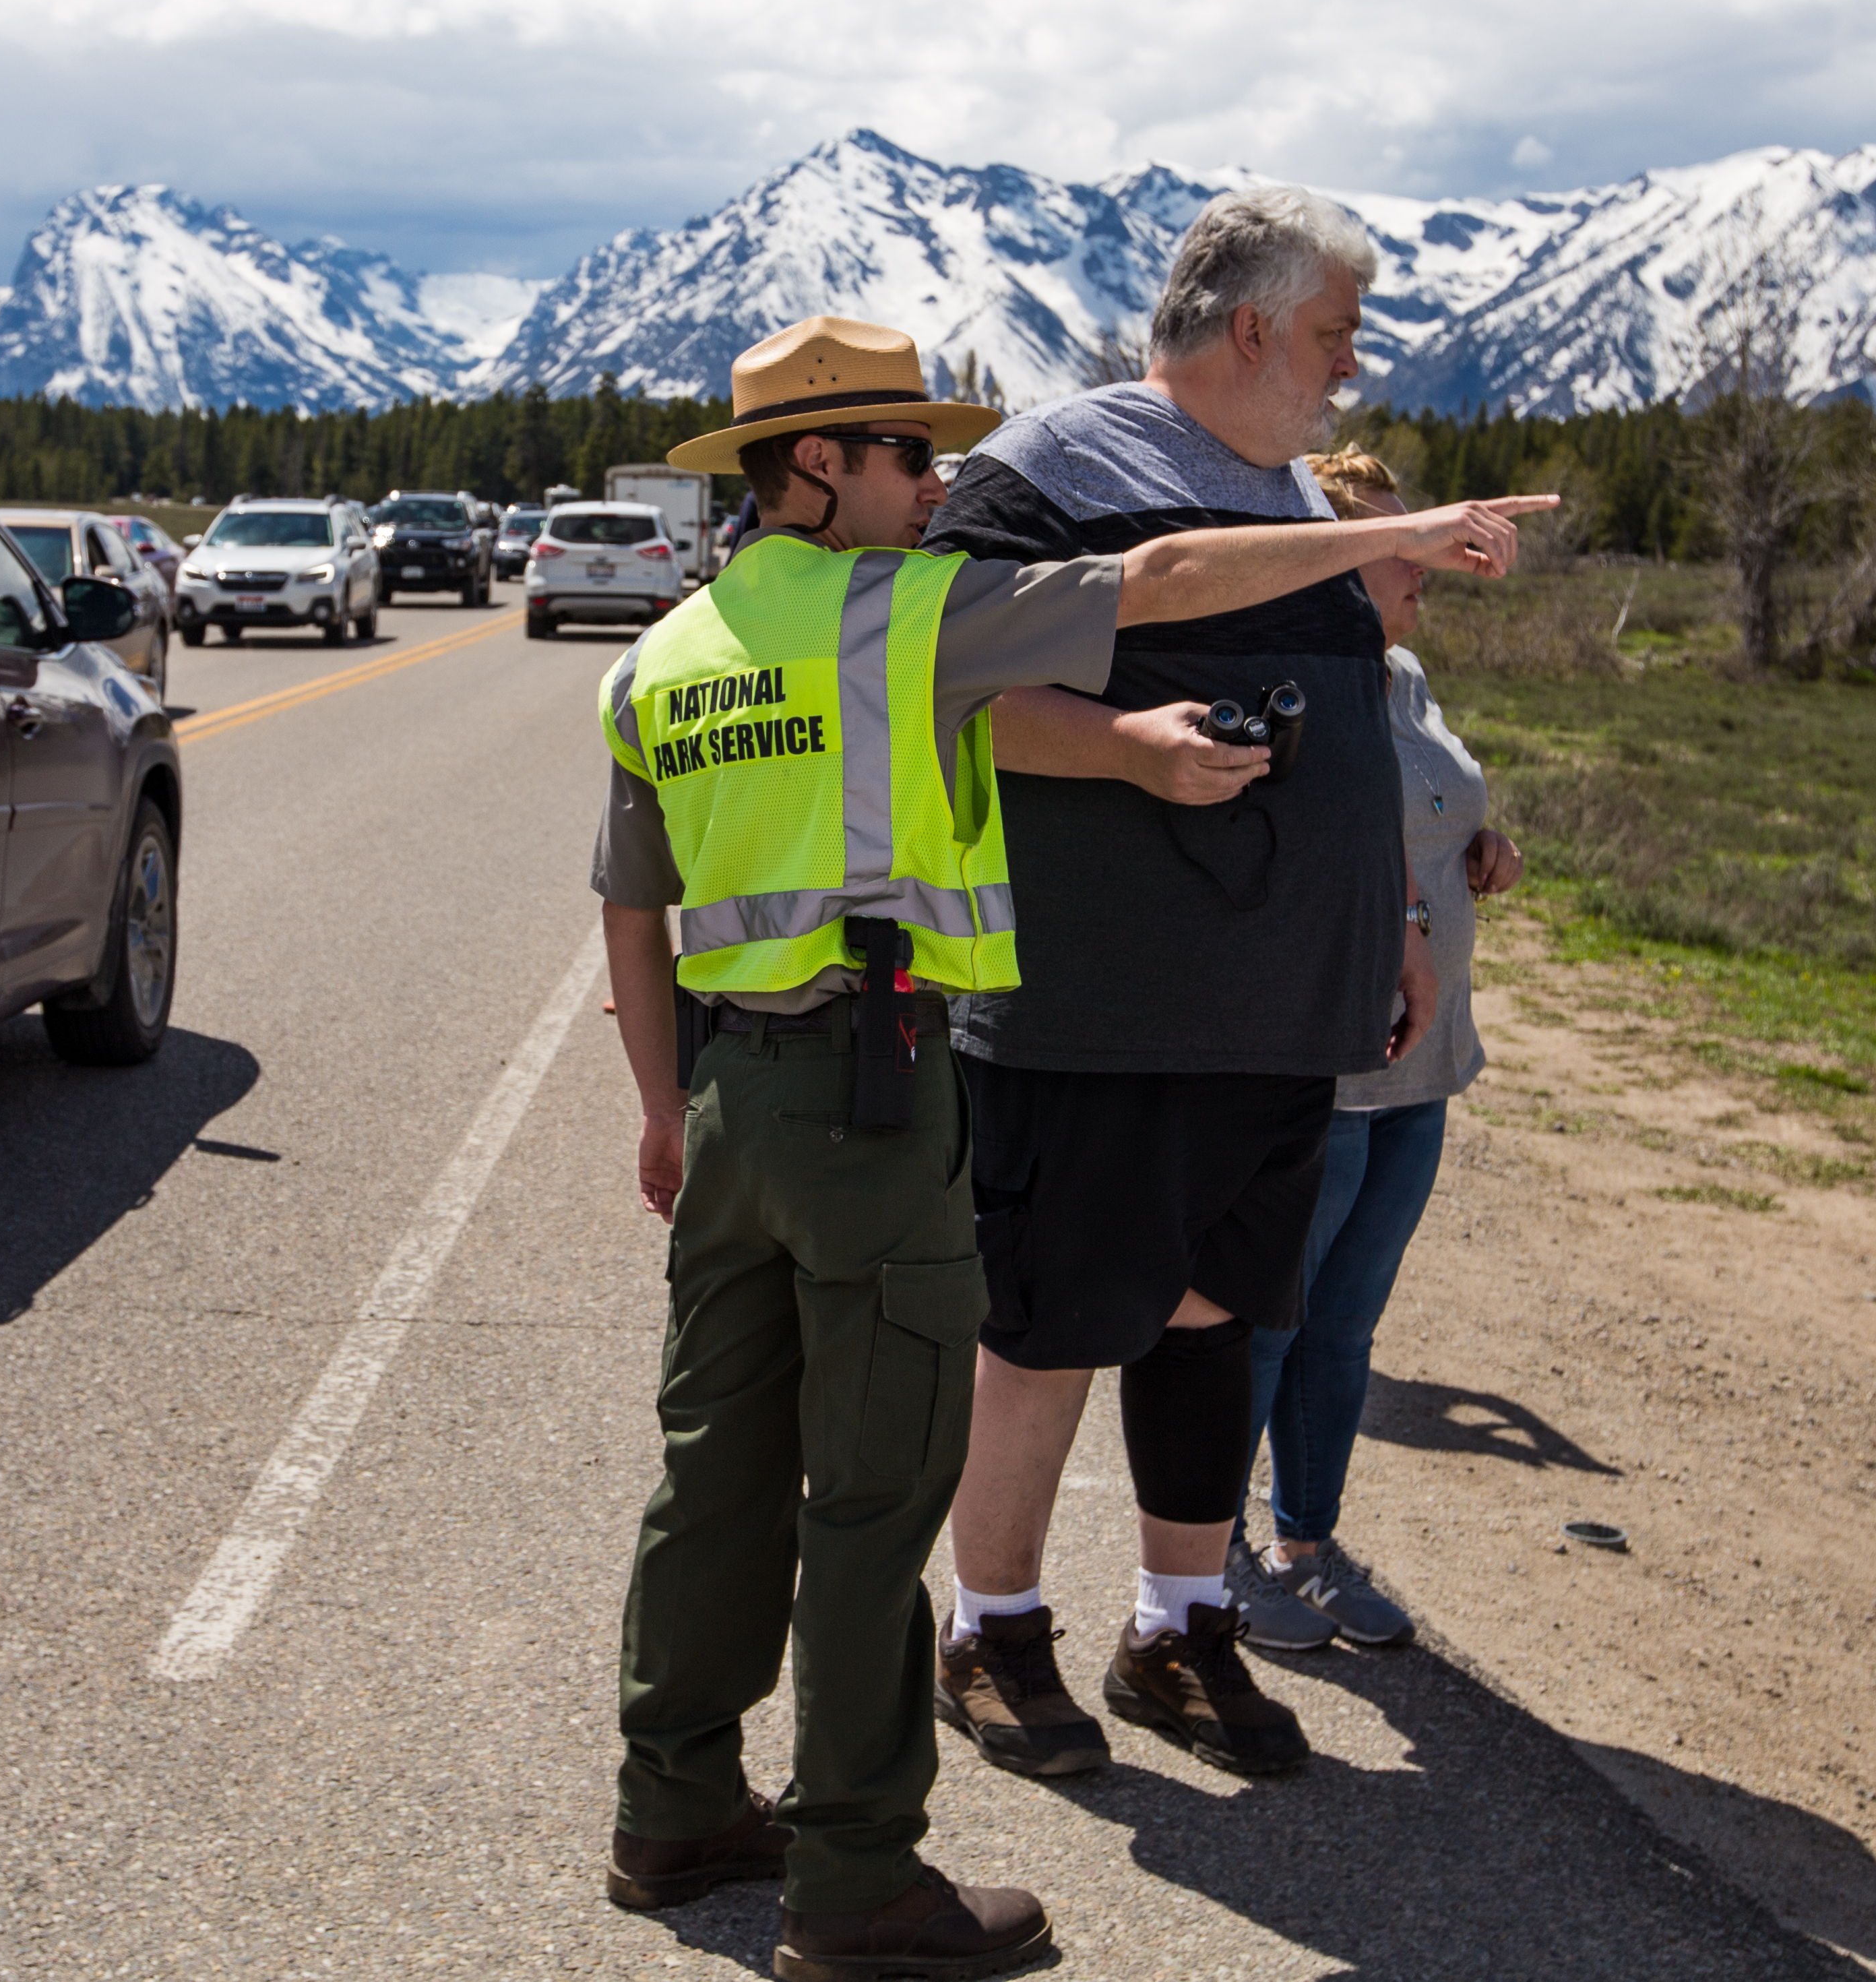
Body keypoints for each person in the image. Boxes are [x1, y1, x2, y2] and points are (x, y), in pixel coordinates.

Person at [591, 313, 1551, 1977]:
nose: (936, 476)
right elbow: (1166, 580)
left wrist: (666, 1109)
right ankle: (853, 1879)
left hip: (736, 1092)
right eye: (904, 451)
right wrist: (1389, 532)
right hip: (877, 1089)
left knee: (713, 1476)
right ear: (816, 465)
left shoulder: (662, 654)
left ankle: (671, 1803)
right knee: (874, 1496)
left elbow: (630, 903)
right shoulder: (902, 613)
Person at [914, 185, 1538, 1785]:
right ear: (1250, 324)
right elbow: (930, 689)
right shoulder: (1050, 469)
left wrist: (1389, 913)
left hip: (1282, 1006)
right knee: (1051, 1324)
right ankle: (988, 1626)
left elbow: (1357, 732)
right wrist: (1116, 747)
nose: (1346, 372)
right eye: (1330, 337)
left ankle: (1176, 1626)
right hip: (1099, 1005)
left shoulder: (1275, 486)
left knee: (1209, 1321)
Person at [1222, 449, 1526, 1651]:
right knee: (1268, 1321)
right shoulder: (1299, 680)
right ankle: (1213, 1555)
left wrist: (1483, 849)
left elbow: (1434, 808)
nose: (1426, 559)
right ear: (1333, 558)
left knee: (1347, 1327)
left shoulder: (1403, 679)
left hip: (1425, 1066)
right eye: (1402, 542)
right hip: (1331, 1066)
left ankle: (1309, 1542)